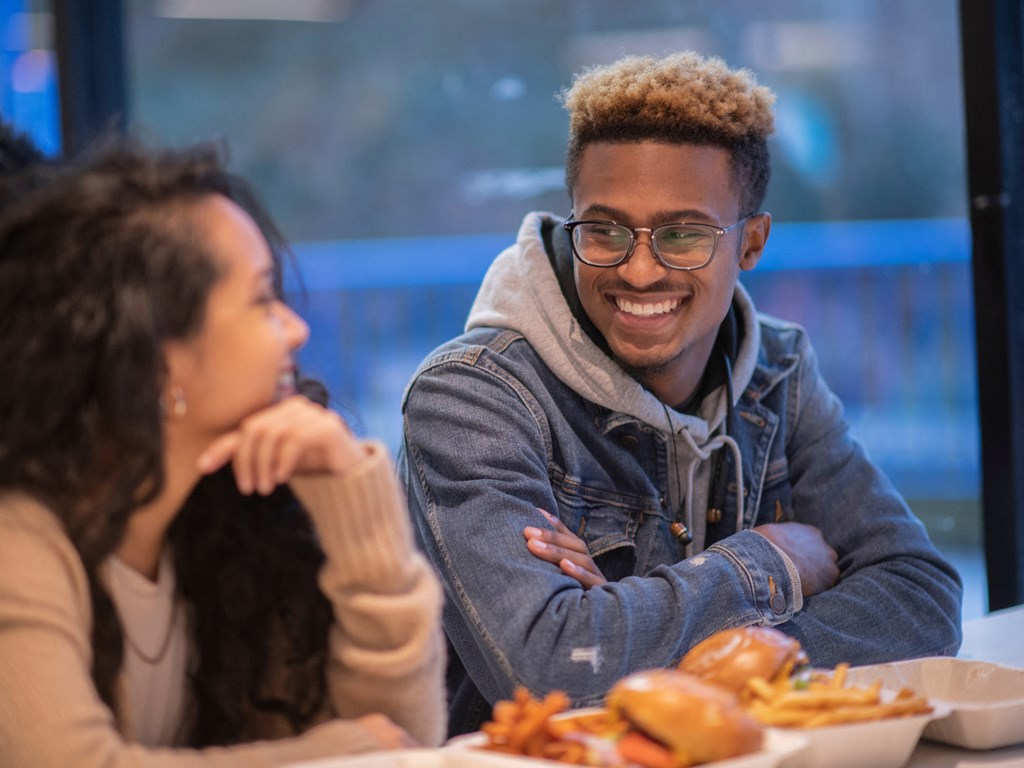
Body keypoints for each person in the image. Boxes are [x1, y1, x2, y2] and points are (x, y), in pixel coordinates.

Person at [398, 51, 963, 735]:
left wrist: (639, 626)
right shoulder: (470, 399)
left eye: (683, 235)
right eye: (604, 230)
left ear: (750, 242)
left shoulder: (777, 373)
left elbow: (920, 597)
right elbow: (551, 671)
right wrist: (772, 564)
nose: (639, 270)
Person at [0, 140, 446, 766]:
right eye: (263, 300)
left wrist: (348, 488)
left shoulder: (233, 525)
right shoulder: (18, 535)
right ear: (157, 359)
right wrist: (330, 754)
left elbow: (403, 745)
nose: (297, 329)